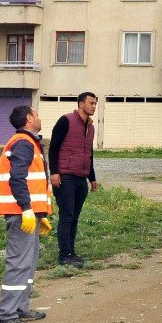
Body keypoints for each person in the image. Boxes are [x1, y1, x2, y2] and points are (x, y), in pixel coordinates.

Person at [0, 105, 52, 323]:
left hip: (29, 214)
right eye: (37, 114)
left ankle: (20, 308)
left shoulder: (29, 143)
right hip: (21, 214)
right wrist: (27, 209)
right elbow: (16, 178)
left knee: (28, 263)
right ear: (29, 118)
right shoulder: (24, 143)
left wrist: (40, 213)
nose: (40, 117)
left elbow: (33, 181)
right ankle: (6, 315)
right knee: (18, 263)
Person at [49, 92, 99, 268]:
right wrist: (54, 172)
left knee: (74, 217)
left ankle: (71, 252)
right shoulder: (66, 121)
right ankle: (64, 255)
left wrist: (92, 178)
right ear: (80, 104)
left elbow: (89, 154)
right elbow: (53, 148)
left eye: (95, 104)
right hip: (65, 177)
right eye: (91, 103)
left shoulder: (90, 127)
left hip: (80, 178)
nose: (94, 106)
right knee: (66, 215)